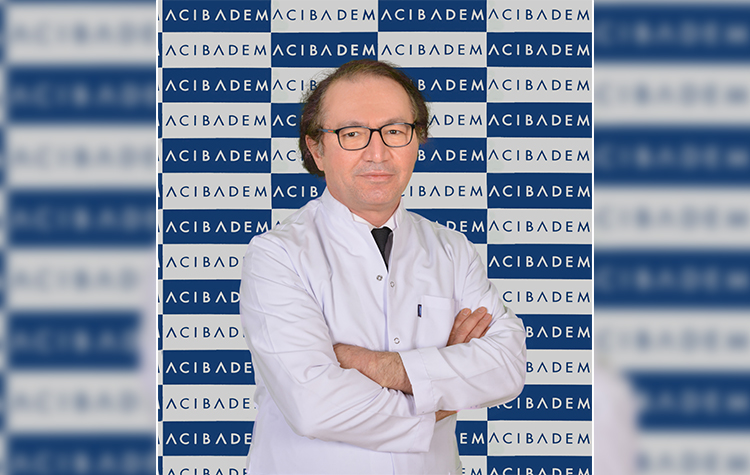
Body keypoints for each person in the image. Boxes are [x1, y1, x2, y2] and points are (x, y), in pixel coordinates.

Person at [239, 59, 526, 475]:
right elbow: (315, 407)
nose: (377, 153)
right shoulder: (276, 255)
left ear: (417, 140)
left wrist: (375, 366)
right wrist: (442, 386)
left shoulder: (453, 250)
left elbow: (506, 367)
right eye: (352, 133)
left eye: (394, 131)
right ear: (316, 149)